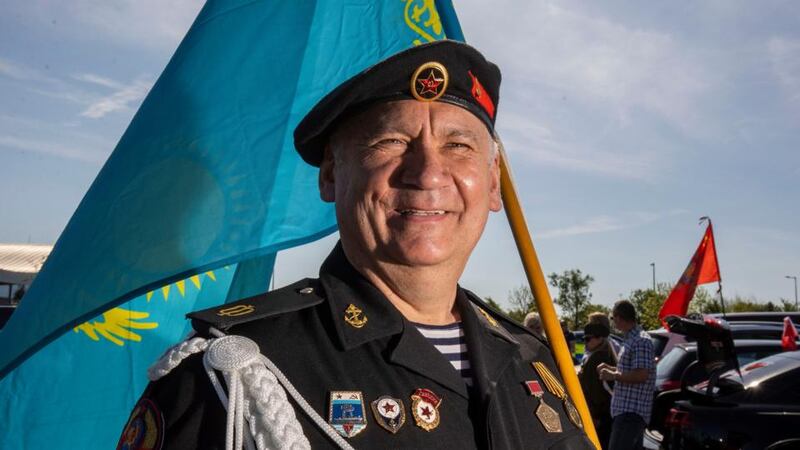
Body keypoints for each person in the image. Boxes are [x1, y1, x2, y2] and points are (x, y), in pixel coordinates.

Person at [117, 41, 592, 449]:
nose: (427, 172)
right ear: (330, 176)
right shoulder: (232, 374)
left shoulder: (532, 358)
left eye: (459, 146)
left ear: (493, 184)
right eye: (391, 142)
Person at [597, 300, 656, 450]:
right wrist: (611, 368)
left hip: (631, 413)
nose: (613, 322)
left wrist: (613, 375)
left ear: (618, 317)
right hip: (628, 413)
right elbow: (630, 370)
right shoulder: (632, 339)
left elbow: (641, 375)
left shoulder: (641, 340)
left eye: (612, 318)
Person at [578, 322, 616, 449]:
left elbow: (596, 392)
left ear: (599, 338)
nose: (585, 342)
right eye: (584, 339)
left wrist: (594, 416)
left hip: (597, 416)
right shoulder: (604, 355)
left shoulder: (598, 358)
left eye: (588, 339)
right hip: (604, 414)